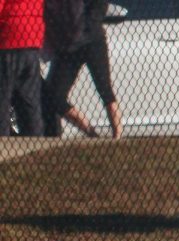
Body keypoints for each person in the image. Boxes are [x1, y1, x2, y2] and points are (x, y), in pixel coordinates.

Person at [43, 0, 121, 138]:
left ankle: (118, 136)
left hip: (92, 41)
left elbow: (100, 6)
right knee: (54, 95)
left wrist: (87, 25)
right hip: (67, 46)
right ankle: (91, 133)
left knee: (105, 89)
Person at [0, 0, 44, 136]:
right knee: (29, 100)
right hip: (32, 38)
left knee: (3, 98)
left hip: (9, 38)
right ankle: (34, 141)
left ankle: (2, 141)